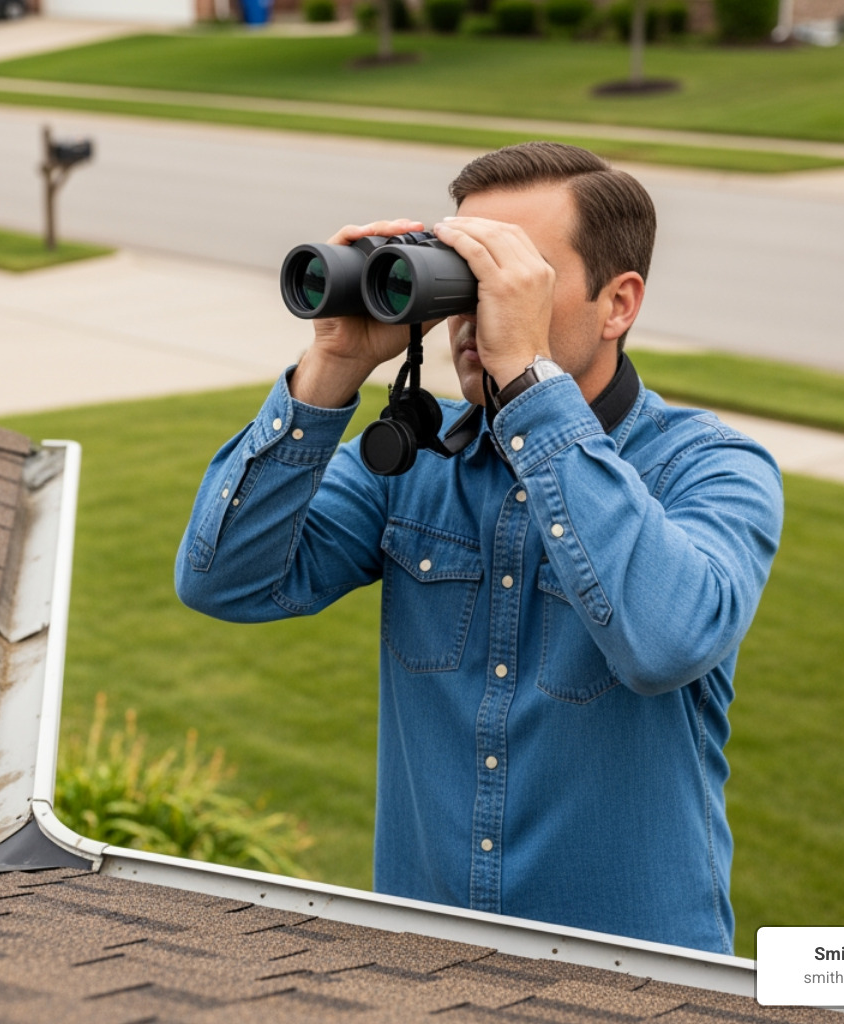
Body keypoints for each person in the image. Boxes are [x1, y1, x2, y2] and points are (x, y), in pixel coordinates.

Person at [174, 142, 783, 954]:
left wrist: (528, 383)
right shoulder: (415, 464)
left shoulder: (711, 468)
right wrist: (331, 365)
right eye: (461, 270)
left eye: (511, 276)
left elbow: (663, 642)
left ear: (618, 303)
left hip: (636, 978)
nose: (473, 310)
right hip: (424, 963)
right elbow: (223, 581)